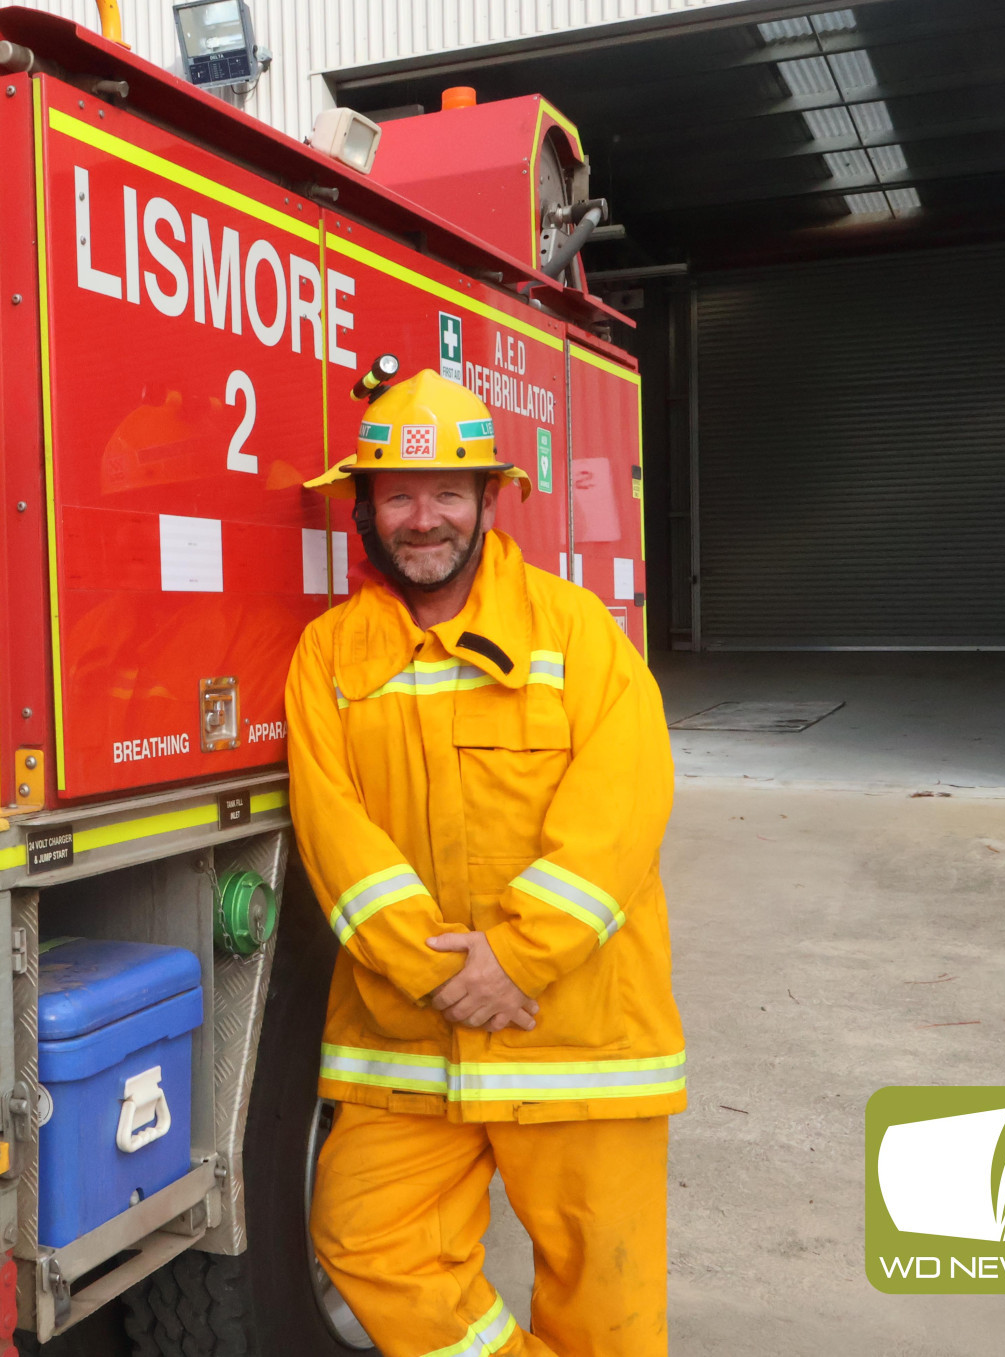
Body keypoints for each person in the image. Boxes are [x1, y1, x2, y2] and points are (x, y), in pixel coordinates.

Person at [288, 368, 684, 1357]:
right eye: (398, 494)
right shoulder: (328, 656)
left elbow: (621, 813)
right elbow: (337, 840)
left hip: (574, 1038)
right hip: (410, 1041)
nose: (424, 518)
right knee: (363, 1237)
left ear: (486, 500)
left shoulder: (572, 632)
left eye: (447, 492)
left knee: (607, 1304)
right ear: (365, 510)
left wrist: (512, 961)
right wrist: (444, 976)